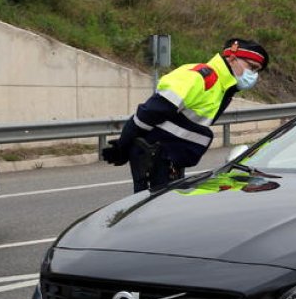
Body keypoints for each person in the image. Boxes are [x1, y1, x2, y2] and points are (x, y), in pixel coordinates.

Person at [101, 38, 269, 191]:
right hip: (154, 160)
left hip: (169, 162)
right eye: (252, 67)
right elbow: (150, 112)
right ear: (232, 58)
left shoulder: (222, 88)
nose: (253, 75)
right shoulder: (200, 77)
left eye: (257, 71)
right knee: (151, 215)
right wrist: (124, 144)